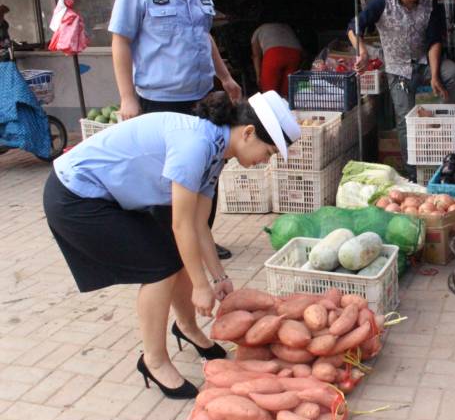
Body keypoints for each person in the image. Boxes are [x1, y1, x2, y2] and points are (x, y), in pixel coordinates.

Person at [43, 90, 300, 399]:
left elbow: (199, 225)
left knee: (172, 256)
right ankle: (153, 360)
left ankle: (188, 328)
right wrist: (200, 285)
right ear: (247, 133)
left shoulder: (218, 151)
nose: (264, 162)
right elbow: (181, 224)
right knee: (158, 268)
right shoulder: (196, 146)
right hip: (74, 196)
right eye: (269, 152)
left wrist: (219, 278)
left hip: (102, 196)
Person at [109, 0, 241, 260]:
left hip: (200, 99)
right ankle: (167, 247)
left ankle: (200, 239)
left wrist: (224, 78)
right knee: (166, 179)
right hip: (159, 101)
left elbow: (204, 35)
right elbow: (120, 41)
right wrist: (128, 97)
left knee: (207, 170)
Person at [346, 0, 455, 179]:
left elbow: (434, 40)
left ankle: (439, 124)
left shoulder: (431, 3)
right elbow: (354, 27)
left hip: (424, 63)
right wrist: (361, 51)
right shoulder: (382, 2)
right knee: (405, 121)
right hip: (397, 69)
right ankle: (413, 174)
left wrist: (436, 74)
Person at [251, 22, 302, 96]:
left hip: (274, 54)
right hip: (295, 53)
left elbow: (256, 55)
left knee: (269, 93)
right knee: (287, 92)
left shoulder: (258, 30)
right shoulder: (286, 26)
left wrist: (258, 76)